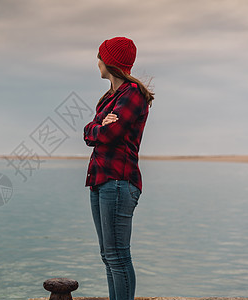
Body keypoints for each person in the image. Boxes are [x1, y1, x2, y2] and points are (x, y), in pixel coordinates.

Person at [83, 37, 154, 300]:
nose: (97, 61)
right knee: (108, 255)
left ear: (110, 62)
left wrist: (100, 127)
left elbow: (110, 134)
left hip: (118, 181)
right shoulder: (108, 99)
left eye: (100, 56)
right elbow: (89, 132)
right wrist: (99, 125)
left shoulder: (133, 94)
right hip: (101, 181)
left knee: (118, 256)